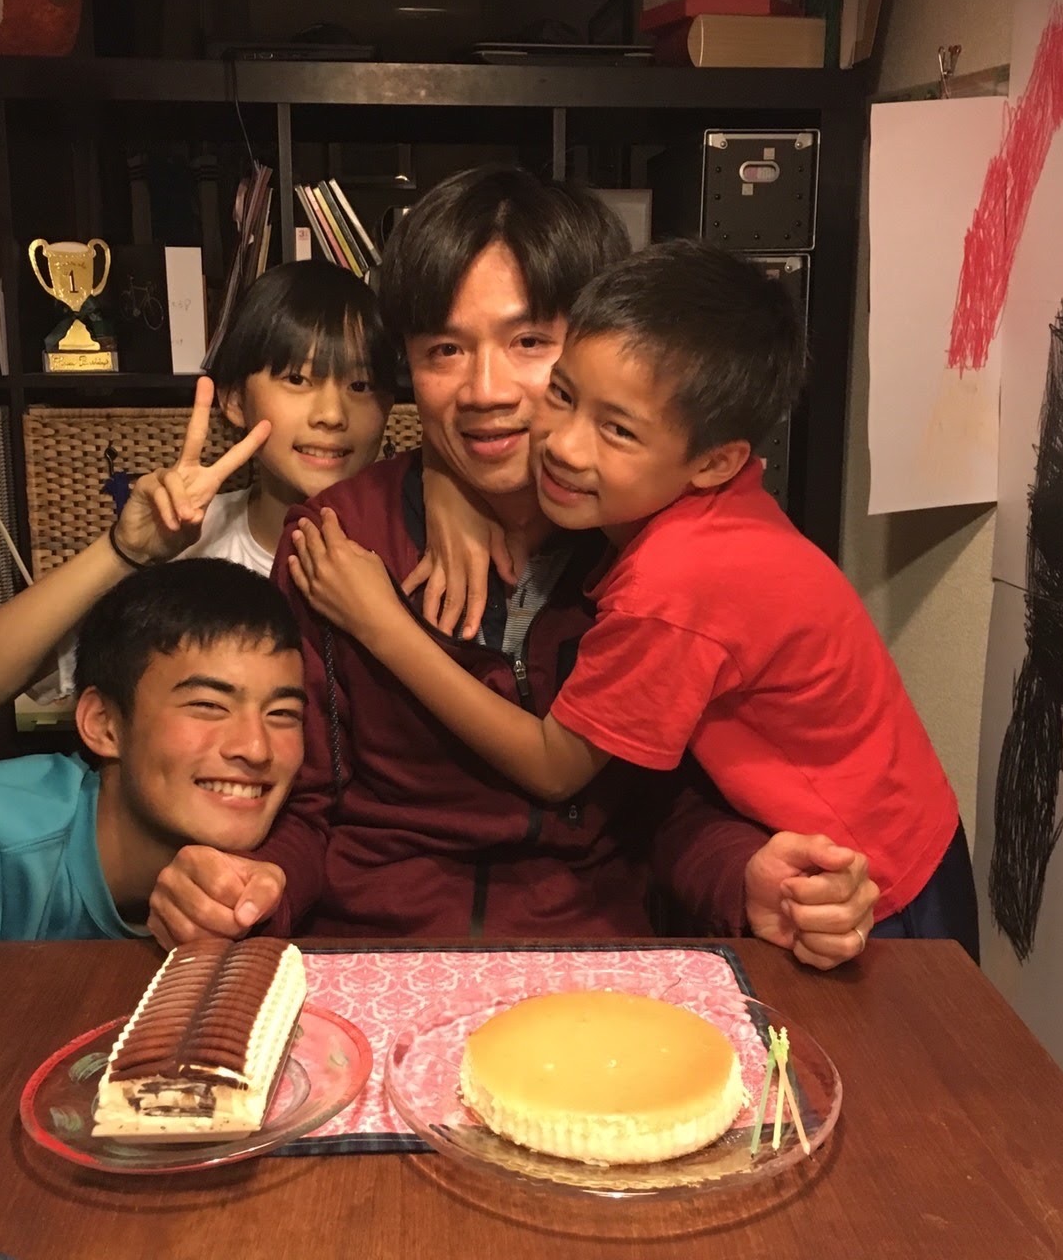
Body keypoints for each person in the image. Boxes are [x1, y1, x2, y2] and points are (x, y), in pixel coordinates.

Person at [146, 166, 880, 968]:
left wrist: (745, 877)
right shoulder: (339, 541)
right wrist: (254, 885)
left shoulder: (659, 550)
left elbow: (672, 806)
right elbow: (308, 801)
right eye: (445, 350)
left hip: (598, 955)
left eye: (530, 342)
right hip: (382, 949)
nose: (486, 392)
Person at [289, 239, 979, 961]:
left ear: (716, 461)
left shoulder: (676, 582)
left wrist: (385, 626)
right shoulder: (700, 504)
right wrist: (444, 477)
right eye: (564, 395)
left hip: (864, 884)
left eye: (617, 430)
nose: (564, 446)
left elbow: (554, 767)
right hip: (894, 829)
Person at [0, 259, 398, 720]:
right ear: (235, 399)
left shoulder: (414, 544)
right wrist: (123, 551)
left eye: (360, 385)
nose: (332, 415)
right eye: (297, 379)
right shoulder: (192, 536)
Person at [0, 559, 304, 941]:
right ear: (103, 725)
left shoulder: (258, 886)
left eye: (283, 713)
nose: (256, 748)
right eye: (208, 706)